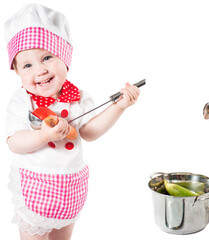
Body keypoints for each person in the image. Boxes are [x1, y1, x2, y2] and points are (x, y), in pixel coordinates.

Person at [5, 4, 140, 239]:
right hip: (36, 188)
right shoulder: (22, 101)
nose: (40, 70)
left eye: (47, 57)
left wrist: (118, 107)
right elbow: (15, 142)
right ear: (17, 72)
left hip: (70, 188)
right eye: (27, 65)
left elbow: (89, 132)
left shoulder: (77, 96)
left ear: (64, 58)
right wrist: (43, 136)